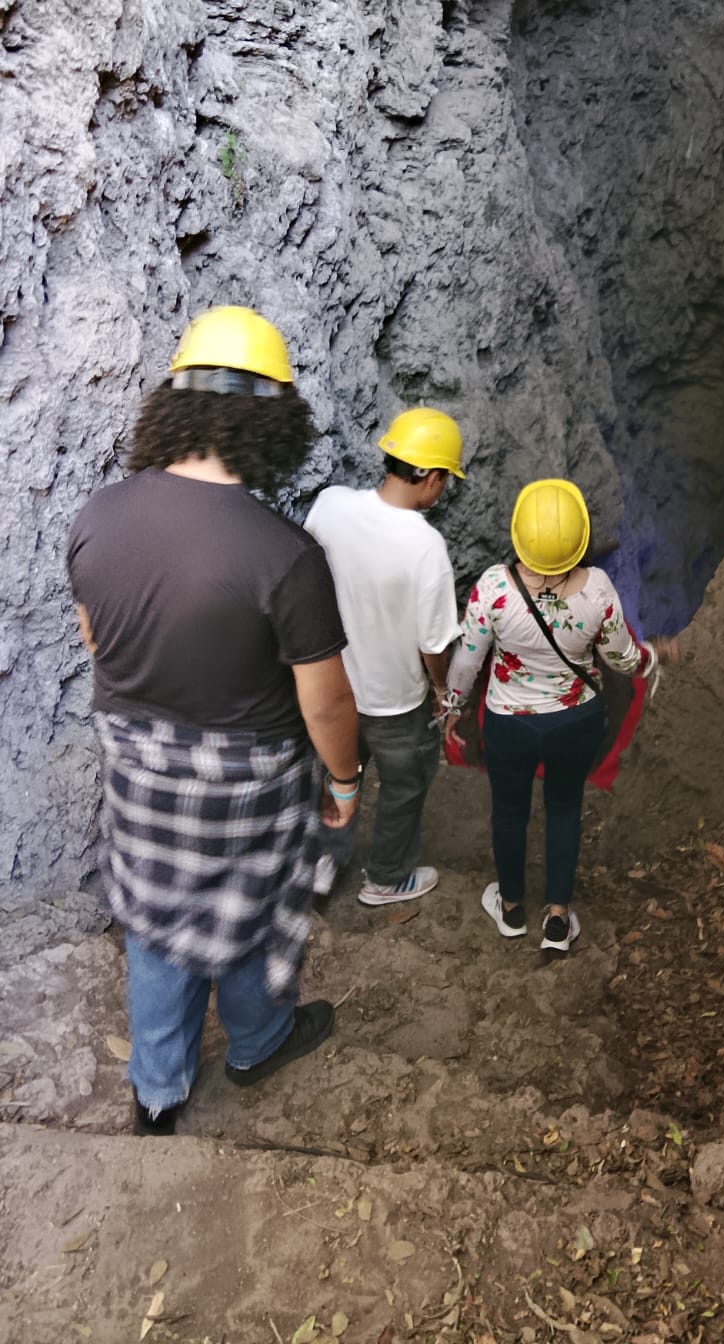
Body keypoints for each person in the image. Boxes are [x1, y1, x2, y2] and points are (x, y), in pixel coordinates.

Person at [67, 306, 363, 1136]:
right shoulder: (285, 556)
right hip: (248, 785)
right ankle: (257, 1042)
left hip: (136, 768)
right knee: (256, 913)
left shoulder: (98, 515)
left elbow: (97, 639)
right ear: (272, 422)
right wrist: (343, 782)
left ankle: (157, 1090)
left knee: (156, 924)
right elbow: (326, 702)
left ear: (175, 405)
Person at [443, 479, 656, 958]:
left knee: (509, 812)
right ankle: (557, 917)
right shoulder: (598, 591)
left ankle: (513, 908)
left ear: (519, 536)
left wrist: (453, 709)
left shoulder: (494, 587)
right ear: (579, 540)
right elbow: (622, 661)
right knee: (563, 809)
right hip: (574, 722)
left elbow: (466, 663)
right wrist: (646, 659)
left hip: (508, 723)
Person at [304, 407, 464, 906]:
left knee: (335, 772)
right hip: (394, 703)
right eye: (445, 482)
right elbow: (434, 644)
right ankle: (388, 878)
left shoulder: (329, 506)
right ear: (432, 479)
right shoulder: (426, 547)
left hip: (331, 690)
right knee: (404, 785)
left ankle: (319, 867)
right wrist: (440, 690)